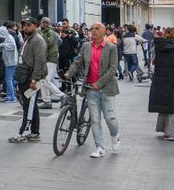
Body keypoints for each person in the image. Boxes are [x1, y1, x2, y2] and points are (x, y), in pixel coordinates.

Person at [64, 22, 121, 158]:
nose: (94, 31)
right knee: (95, 120)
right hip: (90, 88)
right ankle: (100, 147)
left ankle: (115, 135)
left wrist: (99, 83)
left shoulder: (111, 47)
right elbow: (77, 63)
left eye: (97, 29)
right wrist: (68, 74)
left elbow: (113, 69)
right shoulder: (86, 46)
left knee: (110, 119)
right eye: (92, 29)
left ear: (103, 31)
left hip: (106, 89)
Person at [9, 18, 47, 143]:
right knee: (30, 105)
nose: (25, 27)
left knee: (29, 107)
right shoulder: (29, 38)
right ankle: (34, 133)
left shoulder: (38, 40)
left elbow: (40, 62)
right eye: (24, 25)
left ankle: (24, 133)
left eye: (28, 25)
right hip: (25, 76)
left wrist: (34, 80)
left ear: (35, 26)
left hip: (31, 78)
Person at [149, 27, 174, 141]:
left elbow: (152, 58)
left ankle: (162, 128)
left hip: (160, 79)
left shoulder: (157, 47)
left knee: (163, 104)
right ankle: (171, 133)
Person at [40, 17, 62, 108]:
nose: (41, 24)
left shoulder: (50, 32)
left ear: (46, 24)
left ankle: (63, 96)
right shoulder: (45, 32)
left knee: (46, 81)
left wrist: (39, 45)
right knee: (42, 81)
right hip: (47, 59)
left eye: (42, 23)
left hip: (50, 59)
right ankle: (47, 101)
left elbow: (50, 43)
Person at [0, 22, 19, 103]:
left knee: (9, 80)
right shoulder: (8, 37)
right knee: (9, 79)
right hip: (9, 61)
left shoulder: (9, 37)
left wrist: (3, 45)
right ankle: (10, 95)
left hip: (10, 61)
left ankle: (11, 97)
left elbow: (12, 46)